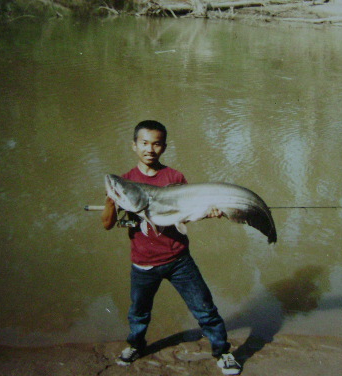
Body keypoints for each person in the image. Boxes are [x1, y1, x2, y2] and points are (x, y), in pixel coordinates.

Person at [101, 120, 242, 375]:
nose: (150, 149)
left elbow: (183, 216)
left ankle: (223, 352)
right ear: (134, 146)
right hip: (142, 262)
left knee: (205, 308)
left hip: (179, 260)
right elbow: (107, 224)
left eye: (156, 144)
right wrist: (112, 202)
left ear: (163, 147)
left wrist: (207, 212)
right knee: (139, 313)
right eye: (144, 143)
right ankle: (135, 345)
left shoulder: (174, 177)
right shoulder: (126, 182)